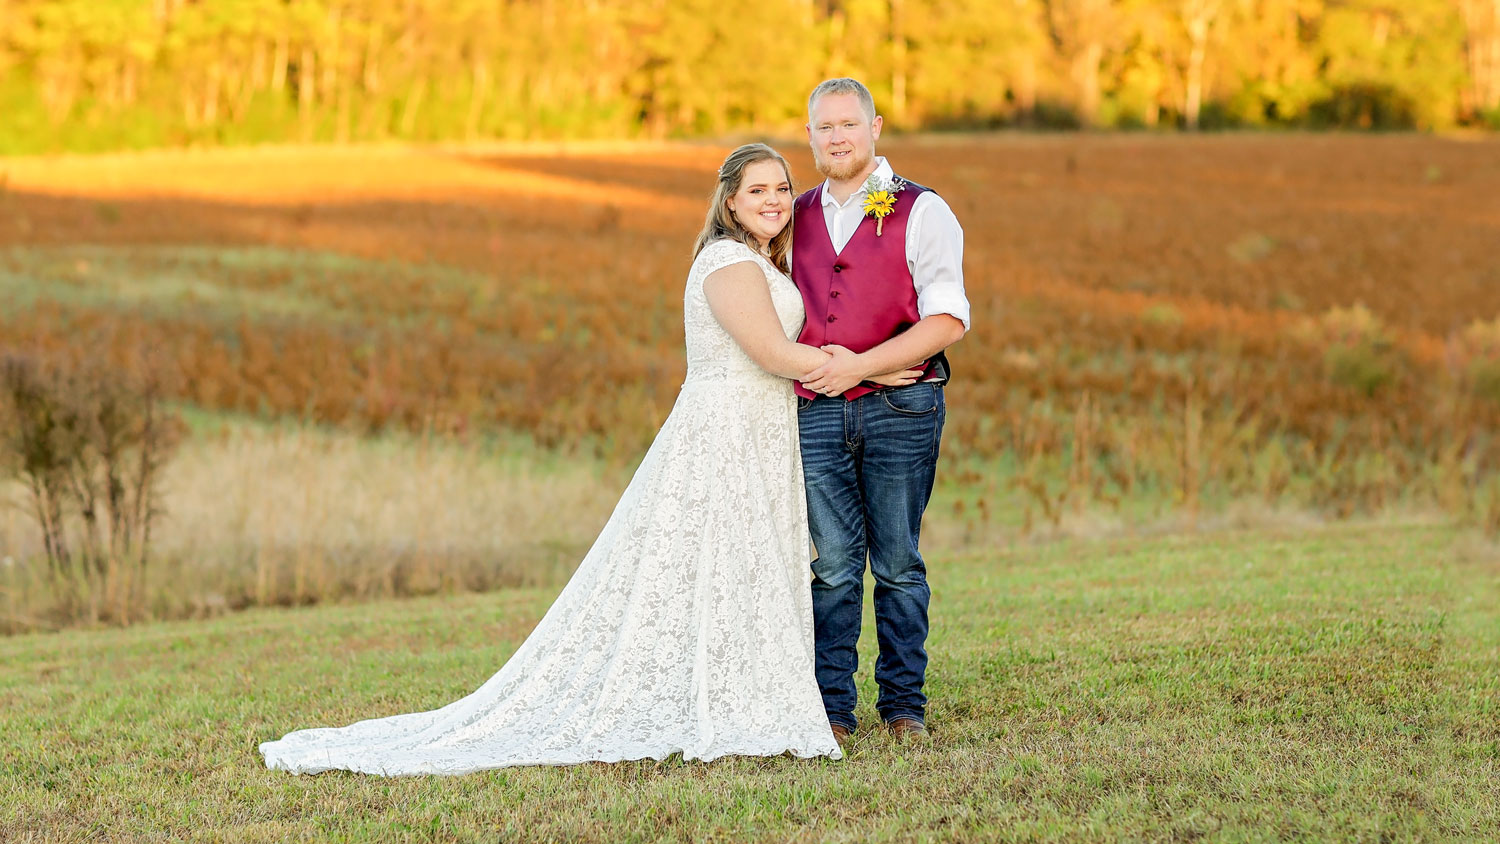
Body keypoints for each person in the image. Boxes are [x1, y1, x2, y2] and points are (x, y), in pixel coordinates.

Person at [258, 143, 920, 775]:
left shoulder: (757, 261)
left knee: (741, 562)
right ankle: (711, 699)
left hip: (759, 429)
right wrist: (871, 370)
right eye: (758, 191)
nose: (775, 200)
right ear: (729, 202)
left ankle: (742, 691)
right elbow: (774, 355)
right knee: (712, 559)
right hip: (724, 432)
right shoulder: (726, 264)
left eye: (782, 188)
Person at [791, 78, 970, 743]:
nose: (837, 137)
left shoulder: (923, 210)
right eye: (824, 127)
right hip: (814, 414)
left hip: (903, 408)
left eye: (849, 124)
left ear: (876, 128)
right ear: (809, 136)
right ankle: (830, 711)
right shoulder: (793, 214)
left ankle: (903, 708)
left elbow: (948, 319)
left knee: (896, 562)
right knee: (833, 565)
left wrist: (861, 366)